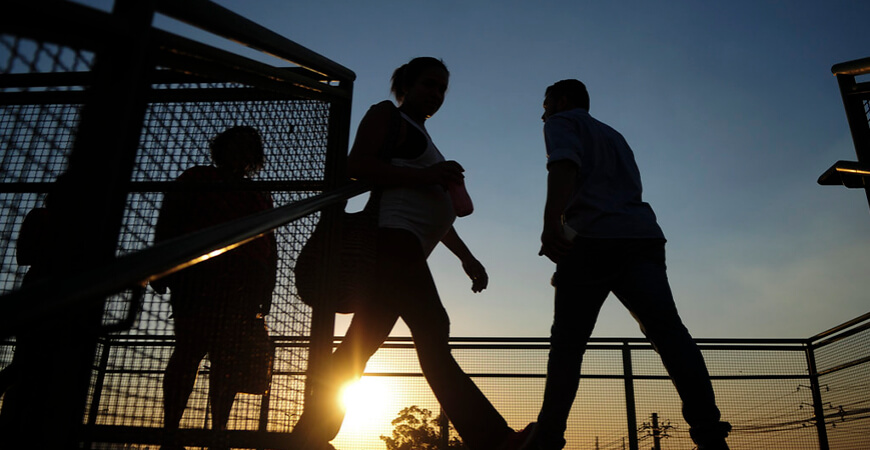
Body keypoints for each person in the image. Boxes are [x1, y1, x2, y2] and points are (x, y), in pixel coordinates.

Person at [292, 57, 529, 450]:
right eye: (429, 84)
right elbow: (358, 164)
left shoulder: (424, 137)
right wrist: (428, 176)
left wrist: (466, 257)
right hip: (392, 241)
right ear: (406, 84)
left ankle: (306, 437)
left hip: (407, 247)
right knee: (433, 331)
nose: (436, 94)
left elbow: (436, 211)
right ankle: (493, 439)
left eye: (442, 89)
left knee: (356, 349)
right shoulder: (386, 114)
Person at [525, 80, 731, 450]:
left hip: (591, 241)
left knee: (568, 345)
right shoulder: (614, 136)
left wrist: (550, 223)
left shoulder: (561, 122)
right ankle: (710, 434)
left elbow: (564, 166)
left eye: (546, 104)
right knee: (670, 335)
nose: (543, 113)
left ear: (563, 100)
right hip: (642, 237)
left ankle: (548, 437)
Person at [153, 126, 277, 447]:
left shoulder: (259, 194)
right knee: (189, 352)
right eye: (235, 147)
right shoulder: (197, 179)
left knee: (226, 360)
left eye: (246, 149)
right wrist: (160, 269)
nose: (240, 155)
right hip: (198, 279)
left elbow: (269, 244)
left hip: (243, 285)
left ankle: (218, 431)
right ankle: (171, 429)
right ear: (222, 150)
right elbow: (170, 218)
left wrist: (266, 291)